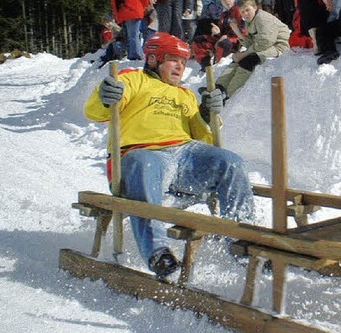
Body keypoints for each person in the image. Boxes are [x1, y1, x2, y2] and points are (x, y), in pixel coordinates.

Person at [84, 32, 255, 277]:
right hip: (141, 152)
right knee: (143, 165)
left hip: (185, 154)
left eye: (184, 62)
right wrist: (104, 97)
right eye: (173, 59)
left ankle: (242, 240)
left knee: (231, 162)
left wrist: (207, 113)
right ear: (153, 59)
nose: (180, 66)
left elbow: (204, 138)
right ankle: (158, 252)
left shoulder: (184, 94)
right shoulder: (132, 79)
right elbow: (95, 112)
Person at [215, 0, 290, 99]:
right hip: (265, 46)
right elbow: (252, 43)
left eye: (247, 10)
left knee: (248, 60)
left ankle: (229, 94)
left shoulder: (263, 19)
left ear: (255, 7)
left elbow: (265, 43)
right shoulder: (249, 21)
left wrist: (244, 54)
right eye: (242, 12)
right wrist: (238, 32)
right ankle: (219, 87)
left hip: (279, 47)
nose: (245, 14)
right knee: (236, 61)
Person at [192, 0, 244, 72]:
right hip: (222, 39)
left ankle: (218, 67)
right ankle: (206, 67)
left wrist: (226, 36)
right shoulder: (223, 15)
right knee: (199, 41)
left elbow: (243, 29)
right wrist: (217, 32)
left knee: (223, 43)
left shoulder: (239, 11)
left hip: (235, 40)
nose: (227, 1)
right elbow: (221, 33)